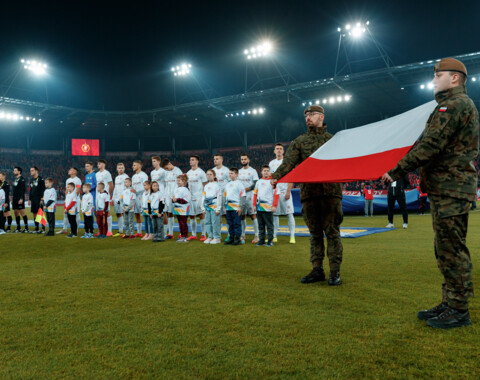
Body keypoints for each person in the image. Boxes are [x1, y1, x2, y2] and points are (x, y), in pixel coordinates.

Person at [382, 57, 478, 329]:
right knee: (444, 248)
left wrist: (398, 169)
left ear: (455, 78)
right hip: (447, 187)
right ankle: (450, 302)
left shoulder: (455, 105)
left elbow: (431, 145)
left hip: (452, 187)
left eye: (439, 75)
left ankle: (459, 310)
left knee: (452, 250)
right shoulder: (450, 106)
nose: (434, 80)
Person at [271, 105, 344, 286]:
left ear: (322, 116)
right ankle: (317, 269)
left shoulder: (333, 140)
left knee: (333, 233)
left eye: (312, 114)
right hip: (309, 195)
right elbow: (289, 162)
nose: (308, 118)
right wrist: (276, 177)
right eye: (306, 115)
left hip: (330, 194)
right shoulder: (300, 141)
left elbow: (345, 162)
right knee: (315, 235)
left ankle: (335, 272)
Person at [269, 143, 296, 243]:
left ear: (283, 151)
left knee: (289, 214)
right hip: (275, 192)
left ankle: (292, 236)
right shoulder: (271, 163)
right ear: (274, 151)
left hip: (285, 191)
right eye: (277, 149)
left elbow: (291, 177)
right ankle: (274, 235)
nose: (279, 150)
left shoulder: (287, 162)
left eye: (280, 149)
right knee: (275, 215)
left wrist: (288, 191)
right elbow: (271, 178)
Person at [253, 165, 279, 247]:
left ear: (270, 172)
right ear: (261, 172)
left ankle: (270, 240)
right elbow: (255, 194)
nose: (266, 172)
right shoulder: (258, 182)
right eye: (264, 170)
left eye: (268, 170)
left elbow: (276, 194)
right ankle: (261, 240)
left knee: (269, 225)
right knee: (261, 225)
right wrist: (254, 205)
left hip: (268, 208)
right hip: (259, 207)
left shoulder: (273, 182)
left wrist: (274, 205)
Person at [238, 153, 260, 244]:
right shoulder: (239, 171)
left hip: (250, 196)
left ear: (248, 160)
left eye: (245, 159)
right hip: (241, 197)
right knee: (242, 216)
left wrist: (246, 189)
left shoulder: (253, 171)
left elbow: (256, 183)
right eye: (242, 159)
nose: (243, 161)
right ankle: (243, 234)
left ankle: (257, 235)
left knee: (253, 215)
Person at [187, 155, 208, 241]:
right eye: (190, 160)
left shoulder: (201, 172)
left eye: (193, 160)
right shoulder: (188, 173)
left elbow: (205, 185)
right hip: (191, 197)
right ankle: (193, 234)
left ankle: (203, 234)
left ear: (197, 161)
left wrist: (204, 196)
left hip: (199, 197)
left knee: (201, 215)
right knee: (192, 216)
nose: (191, 161)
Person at [224, 167, 246, 246]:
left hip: (236, 207)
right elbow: (225, 196)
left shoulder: (240, 184)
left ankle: (237, 238)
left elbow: (243, 196)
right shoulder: (227, 184)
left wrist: (241, 207)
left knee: (236, 223)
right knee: (230, 224)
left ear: (236, 174)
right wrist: (225, 207)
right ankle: (231, 237)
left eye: (232, 173)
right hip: (228, 207)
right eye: (229, 173)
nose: (230, 175)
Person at [162, 158, 182, 239]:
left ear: (170, 164)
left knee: (179, 214)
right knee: (169, 213)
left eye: (166, 167)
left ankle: (181, 233)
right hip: (168, 195)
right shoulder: (166, 172)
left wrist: (177, 194)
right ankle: (170, 233)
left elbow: (181, 184)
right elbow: (165, 185)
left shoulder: (178, 171)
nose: (166, 169)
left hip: (176, 196)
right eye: (165, 168)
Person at [58, 167, 82, 234]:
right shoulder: (67, 180)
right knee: (65, 214)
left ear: (74, 172)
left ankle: (76, 229)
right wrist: (67, 198)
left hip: (75, 200)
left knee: (76, 214)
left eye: (71, 170)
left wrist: (73, 198)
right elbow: (66, 190)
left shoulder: (78, 180)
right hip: (68, 199)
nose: (69, 171)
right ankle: (64, 229)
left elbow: (78, 190)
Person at [202, 169, 222, 244]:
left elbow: (219, 197)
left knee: (215, 222)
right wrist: (203, 207)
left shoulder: (217, 185)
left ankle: (216, 237)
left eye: (210, 174)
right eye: (207, 174)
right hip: (207, 206)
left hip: (214, 205)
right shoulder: (206, 186)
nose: (209, 176)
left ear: (214, 176)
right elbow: (203, 196)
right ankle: (210, 236)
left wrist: (218, 208)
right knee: (207, 222)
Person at [95, 159, 114, 236]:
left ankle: (109, 231)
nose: (98, 165)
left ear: (103, 164)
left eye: (99, 164)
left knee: (107, 212)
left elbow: (111, 184)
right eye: (98, 164)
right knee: (99, 213)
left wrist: (109, 194)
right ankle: (101, 230)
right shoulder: (96, 174)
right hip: (98, 195)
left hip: (105, 195)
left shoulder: (107, 173)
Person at [131, 160, 149, 238]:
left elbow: (146, 186)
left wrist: (136, 191)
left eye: (134, 165)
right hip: (135, 197)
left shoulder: (144, 175)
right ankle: (139, 232)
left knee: (145, 214)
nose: (133, 166)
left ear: (139, 166)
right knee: (137, 214)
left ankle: (148, 232)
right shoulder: (133, 176)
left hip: (142, 197)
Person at [172, 174, 191, 243]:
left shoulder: (186, 189)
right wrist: (173, 200)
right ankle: (182, 236)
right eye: (177, 181)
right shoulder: (176, 189)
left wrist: (177, 200)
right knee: (180, 223)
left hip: (183, 209)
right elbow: (174, 197)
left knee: (183, 223)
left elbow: (186, 200)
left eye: (179, 181)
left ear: (184, 181)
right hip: (177, 209)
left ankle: (185, 237)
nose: (178, 182)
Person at [112, 163, 129, 237]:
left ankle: (127, 230)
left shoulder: (126, 177)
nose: (120, 169)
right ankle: (121, 230)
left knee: (125, 214)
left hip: (123, 198)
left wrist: (122, 198)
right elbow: (115, 188)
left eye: (122, 168)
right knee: (118, 214)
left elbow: (126, 188)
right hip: (116, 199)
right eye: (119, 168)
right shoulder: (116, 177)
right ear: (117, 169)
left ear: (124, 168)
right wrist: (113, 198)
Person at [29, 166, 46, 234]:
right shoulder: (32, 180)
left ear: (36, 171)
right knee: (34, 213)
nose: (31, 172)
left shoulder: (41, 179)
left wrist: (42, 199)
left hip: (39, 199)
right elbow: (31, 190)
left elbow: (43, 190)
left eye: (32, 170)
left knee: (40, 213)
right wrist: (30, 199)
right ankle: (36, 228)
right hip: (33, 199)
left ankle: (43, 229)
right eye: (31, 170)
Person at [12, 167, 28, 233]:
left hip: (19, 198)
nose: (14, 171)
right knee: (15, 212)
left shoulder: (22, 179)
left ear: (19, 172)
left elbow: (23, 189)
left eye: (15, 170)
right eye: (14, 170)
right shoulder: (15, 179)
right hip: (15, 198)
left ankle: (26, 228)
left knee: (22, 212)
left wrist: (21, 198)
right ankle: (18, 228)